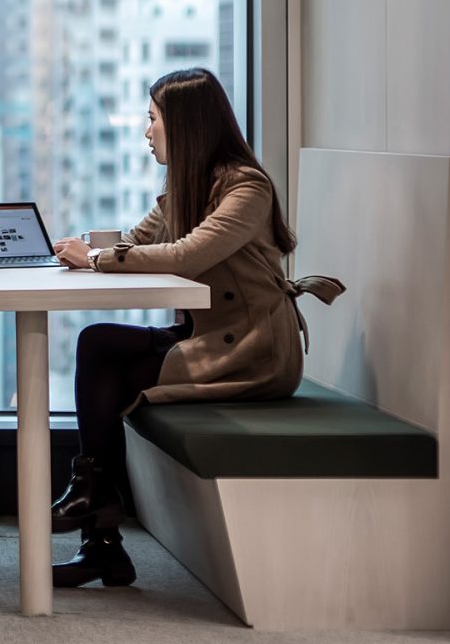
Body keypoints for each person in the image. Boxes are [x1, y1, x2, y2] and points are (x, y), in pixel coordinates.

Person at [47, 67, 342, 588]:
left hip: (254, 352)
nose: (146, 131)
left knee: (104, 356)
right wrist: (86, 250)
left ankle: (97, 516)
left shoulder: (245, 187)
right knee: (98, 344)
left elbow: (188, 254)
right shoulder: (184, 184)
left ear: (185, 125)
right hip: (208, 338)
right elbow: (141, 239)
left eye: (153, 119)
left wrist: (96, 258)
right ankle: (99, 520)